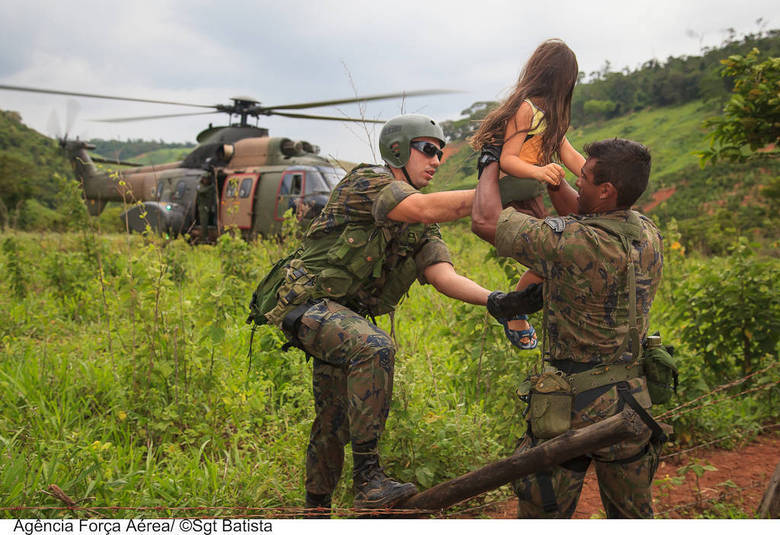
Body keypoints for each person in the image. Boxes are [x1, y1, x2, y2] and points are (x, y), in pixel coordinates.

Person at [250, 114, 492, 514]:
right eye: (427, 149)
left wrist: (497, 301)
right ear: (397, 149)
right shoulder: (368, 182)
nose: (436, 159)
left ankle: (315, 510)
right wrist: (491, 189)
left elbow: (442, 273)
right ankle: (368, 479)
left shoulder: (420, 224)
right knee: (374, 347)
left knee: (333, 419)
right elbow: (427, 206)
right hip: (304, 303)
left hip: (339, 314)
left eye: (440, 152)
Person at [472, 138, 665, 518]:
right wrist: (553, 182)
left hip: (571, 408)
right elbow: (584, 212)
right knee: (633, 518)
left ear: (606, 191)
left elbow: (484, 221)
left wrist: (489, 164)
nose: (580, 183)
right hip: (631, 402)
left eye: (586, 178)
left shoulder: (577, 242)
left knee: (542, 515)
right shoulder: (646, 232)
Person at [469, 39, 586, 349]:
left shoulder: (552, 116)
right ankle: (514, 309)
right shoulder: (527, 109)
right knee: (552, 253)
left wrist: (596, 176)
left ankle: (517, 307)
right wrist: (539, 170)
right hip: (513, 190)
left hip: (531, 192)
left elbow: (571, 155)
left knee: (555, 254)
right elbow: (508, 159)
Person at [196, 174, 216, 242]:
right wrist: (211, 187)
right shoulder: (200, 186)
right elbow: (201, 191)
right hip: (202, 207)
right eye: (205, 179)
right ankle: (204, 238)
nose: (206, 180)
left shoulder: (209, 186)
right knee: (204, 223)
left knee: (211, 221)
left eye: (207, 179)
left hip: (209, 206)